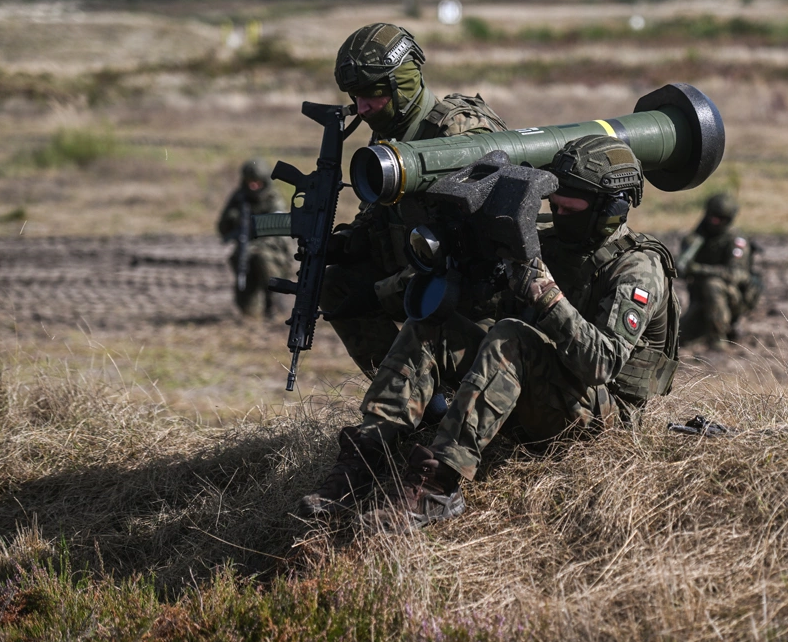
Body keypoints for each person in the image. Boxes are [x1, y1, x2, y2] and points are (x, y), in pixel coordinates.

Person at [298, 135, 680, 529]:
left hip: (601, 417)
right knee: (432, 325)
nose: (559, 212)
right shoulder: (553, 243)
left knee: (510, 336)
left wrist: (546, 295)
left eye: (572, 207)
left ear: (612, 207)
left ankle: (439, 486)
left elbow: (601, 364)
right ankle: (365, 456)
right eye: (555, 203)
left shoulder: (637, 268)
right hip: (543, 388)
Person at [319, 22, 508, 377]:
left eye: (371, 94)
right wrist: (348, 241)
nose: (361, 108)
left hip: (470, 299)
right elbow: (377, 214)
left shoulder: (457, 134)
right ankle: (407, 395)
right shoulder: (389, 132)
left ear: (401, 85)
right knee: (335, 284)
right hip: (417, 280)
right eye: (355, 96)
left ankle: (431, 394)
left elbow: (465, 255)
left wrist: (380, 293)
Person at [678, 193, 762, 349]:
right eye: (712, 217)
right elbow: (682, 269)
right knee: (678, 336)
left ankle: (719, 339)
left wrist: (698, 269)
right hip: (701, 301)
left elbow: (736, 274)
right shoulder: (699, 236)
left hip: (732, 297)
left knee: (713, 284)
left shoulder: (736, 240)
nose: (714, 222)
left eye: (720, 219)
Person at [216, 158, 294, 318]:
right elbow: (222, 230)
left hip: (274, 256)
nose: (253, 186)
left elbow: (280, 236)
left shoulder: (273, 200)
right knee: (248, 310)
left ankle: (273, 301)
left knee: (261, 257)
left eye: (256, 182)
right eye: (249, 182)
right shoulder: (239, 198)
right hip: (247, 254)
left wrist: (257, 244)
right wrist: (232, 220)